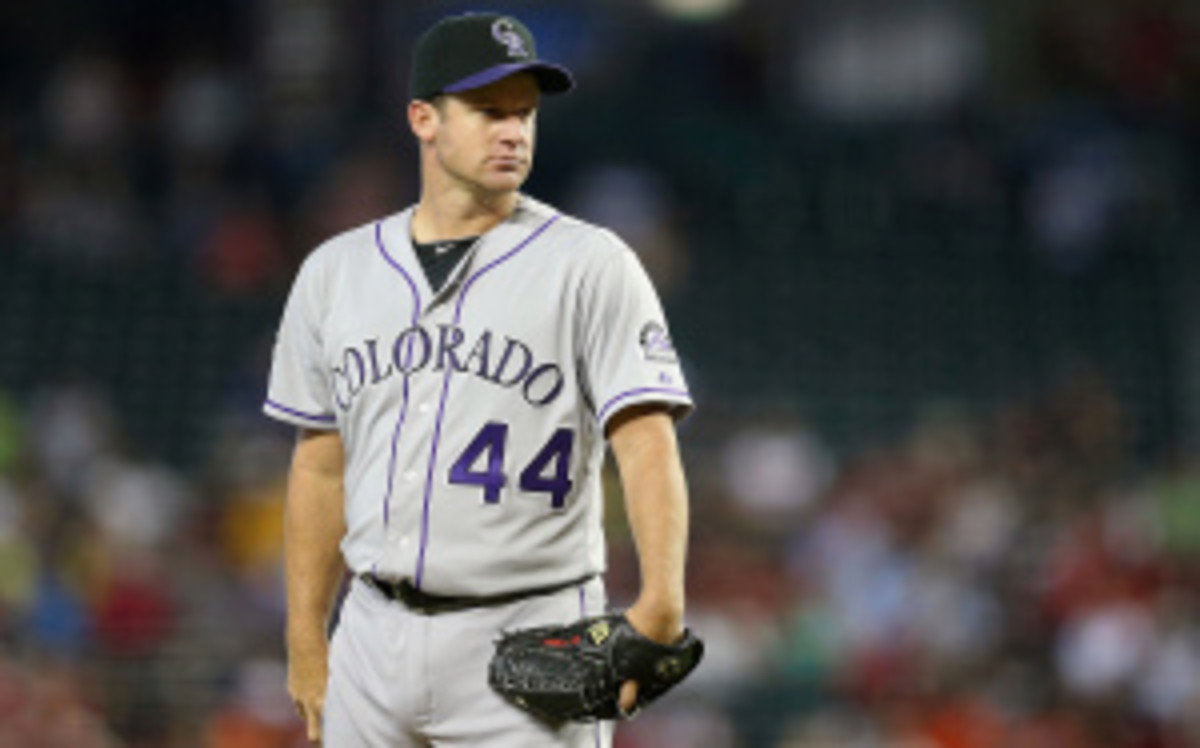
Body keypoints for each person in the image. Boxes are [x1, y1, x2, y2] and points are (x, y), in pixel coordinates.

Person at [263, 12, 696, 746]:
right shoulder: (334, 272)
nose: (513, 131)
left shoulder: (590, 265)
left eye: (524, 112)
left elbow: (647, 444)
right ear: (424, 119)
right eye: (488, 110)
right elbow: (320, 467)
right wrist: (307, 636)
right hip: (371, 629)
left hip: (530, 631)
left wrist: (662, 603)